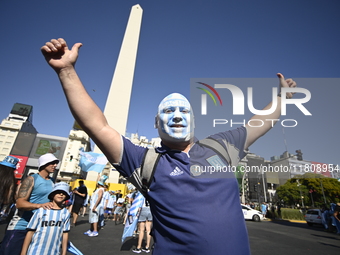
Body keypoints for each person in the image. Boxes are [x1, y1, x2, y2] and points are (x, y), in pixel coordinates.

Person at [41, 38, 297, 254]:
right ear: (156, 122)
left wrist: (281, 98)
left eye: (184, 110)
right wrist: (66, 71)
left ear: (194, 120)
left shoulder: (222, 146)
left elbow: (258, 123)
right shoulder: (143, 161)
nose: (177, 115)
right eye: (168, 110)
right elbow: (97, 126)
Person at [0, 153, 58, 255]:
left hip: (39, 228)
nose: (55, 165)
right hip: (21, 226)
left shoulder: (53, 181)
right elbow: (20, 203)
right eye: (52, 163)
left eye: (56, 163)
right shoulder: (31, 179)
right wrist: (40, 205)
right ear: (44, 164)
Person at [20, 182, 71, 255]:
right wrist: (23, 252)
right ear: (52, 194)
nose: (61, 194)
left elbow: (65, 234)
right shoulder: (41, 210)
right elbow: (30, 232)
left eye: (64, 193)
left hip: (54, 252)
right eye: (58, 192)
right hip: (35, 251)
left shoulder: (65, 213)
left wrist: (64, 252)